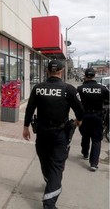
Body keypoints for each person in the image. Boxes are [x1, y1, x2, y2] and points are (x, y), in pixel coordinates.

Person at [22, 59, 84, 209]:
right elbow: (80, 110)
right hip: (59, 134)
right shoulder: (68, 89)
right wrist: (78, 121)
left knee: (45, 161)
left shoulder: (37, 88)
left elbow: (29, 109)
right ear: (62, 72)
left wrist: (25, 127)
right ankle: (49, 204)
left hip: (42, 133)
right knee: (56, 166)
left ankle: (49, 182)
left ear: (47, 71)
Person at [77, 68, 109, 171]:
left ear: (85, 76)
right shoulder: (103, 88)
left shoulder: (80, 88)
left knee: (85, 136)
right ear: (94, 76)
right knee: (96, 139)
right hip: (97, 117)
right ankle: (94, 163)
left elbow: (76, 104)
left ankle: (85, 153)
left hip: (84, 116)